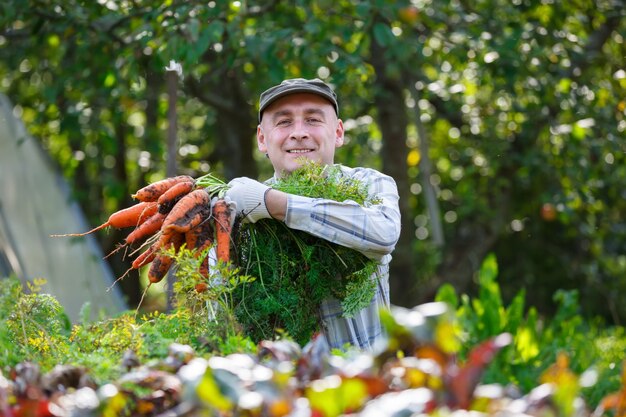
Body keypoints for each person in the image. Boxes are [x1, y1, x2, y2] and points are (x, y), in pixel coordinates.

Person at [223, 78, 401, 351]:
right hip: (278, 384)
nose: (299, 133)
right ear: (262, 138)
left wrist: (273, 204)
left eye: (313, 120)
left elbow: (384, 234)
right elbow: (221, 304)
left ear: (338, 132)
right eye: (283, 122)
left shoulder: (369, 185)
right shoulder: (241, 209)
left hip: (367, 381)